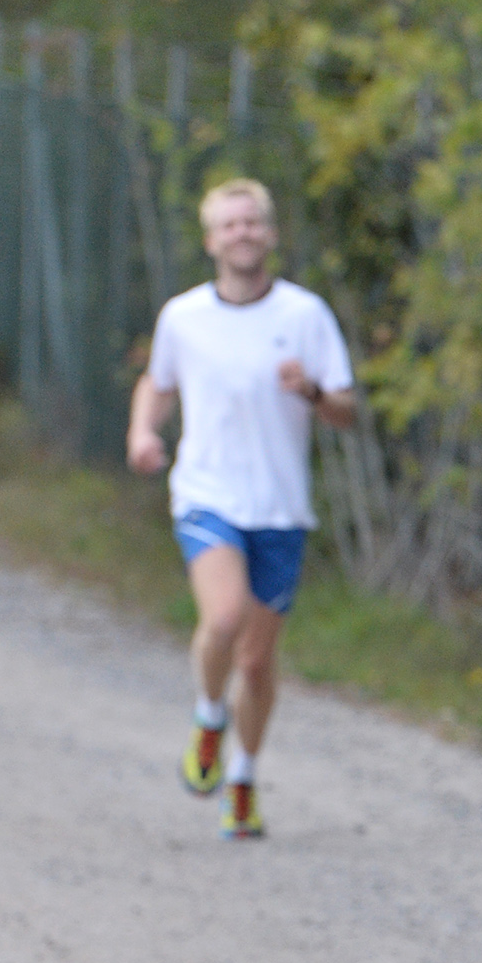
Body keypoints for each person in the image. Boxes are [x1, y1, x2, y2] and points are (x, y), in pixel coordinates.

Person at [127, 178, 357, 839]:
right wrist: (143, 431)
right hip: (207, 494)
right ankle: (208, 717)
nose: (243, 234)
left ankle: (243, 778)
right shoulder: (183, 316)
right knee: (223, 616)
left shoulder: (305, 315)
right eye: (230, 225)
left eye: (252, 222)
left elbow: (346, 411)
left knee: (256, 662)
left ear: (271, 233)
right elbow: (157, 382)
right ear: (211, 240)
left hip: (281, 509)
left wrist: (311, 390)